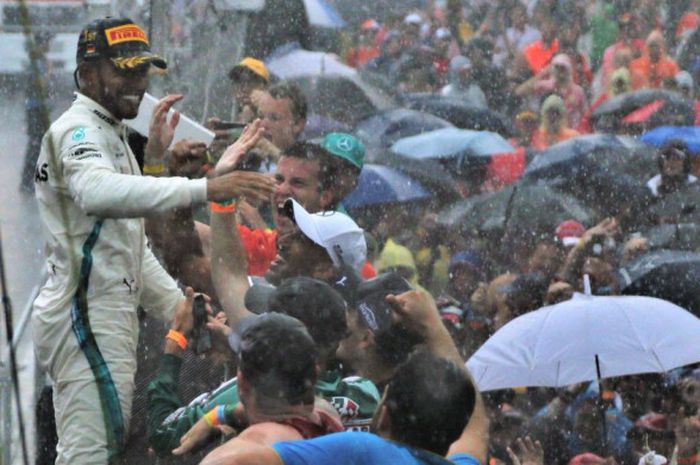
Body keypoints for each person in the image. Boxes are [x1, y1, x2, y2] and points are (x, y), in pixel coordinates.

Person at [31, 17, 275, 464]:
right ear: (87, 75)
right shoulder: (79, 132)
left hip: (104, 314)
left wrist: (181, 311)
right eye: (122, 71)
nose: (136, 83)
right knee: (88, 454)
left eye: (142, 72)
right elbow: (96, 193)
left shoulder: (114, 134)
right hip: (86, 315)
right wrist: (204, 190)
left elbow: (130, 248)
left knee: (102, 445)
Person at [198, 289, 490, 465]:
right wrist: (434, 327)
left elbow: (234, 461)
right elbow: (475, 428)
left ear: (383, 414)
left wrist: (218, 418)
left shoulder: (364, 451)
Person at [147, 280, 376, 456]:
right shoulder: (364, 393)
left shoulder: (246, 392)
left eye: (268, 317)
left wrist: (175, 341)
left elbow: (161, 435)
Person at [516, 54, 587, 129]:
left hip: (570, 131)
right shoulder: (545, 86)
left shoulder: (577, 91)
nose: (559, 71)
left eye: (562, 68)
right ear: (552, 69)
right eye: (557, 67)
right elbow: (519, 92)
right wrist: (542, 73)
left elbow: (584, 115)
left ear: (569, 70)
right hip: (547, 130)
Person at [228, 57, 270, 124]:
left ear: (264, 88)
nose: (244, 89)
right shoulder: (234, 113)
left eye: (251, 82)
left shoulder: (276, 116)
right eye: (239, 83)